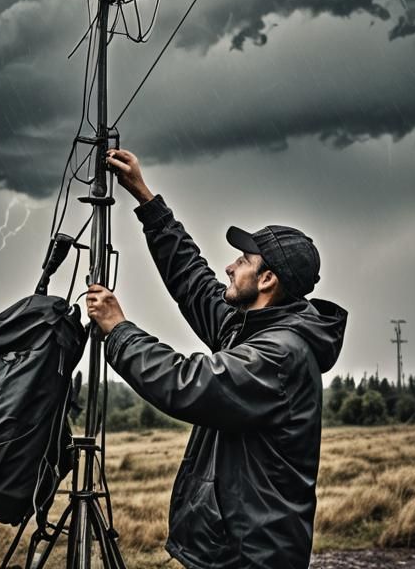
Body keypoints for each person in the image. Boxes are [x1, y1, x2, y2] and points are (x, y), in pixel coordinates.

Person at [85, 148, 348, 569]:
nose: (229, 266)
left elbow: (187, 383)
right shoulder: (248, 328)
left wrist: (119, 330)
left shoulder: (279, 354)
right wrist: (145, 198)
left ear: (267, 280)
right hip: (230, 549)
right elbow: (193, 280)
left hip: (251, 557)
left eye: (243, 261)